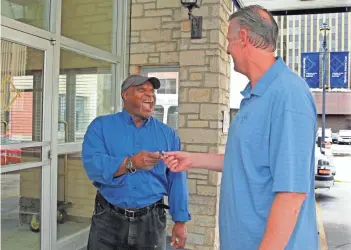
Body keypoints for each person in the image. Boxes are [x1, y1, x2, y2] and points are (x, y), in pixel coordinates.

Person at [162, 5, 319, 250]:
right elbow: (247, 162)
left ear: (243, 38)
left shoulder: (289, 95)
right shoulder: (253, 97)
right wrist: (191, 159)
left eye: (229, 40)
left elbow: (291, 194)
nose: (227, 48)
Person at [82, 74, 190, 250]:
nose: (150, 95)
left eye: (152, 92)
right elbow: (94, 165)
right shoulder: (101, 126)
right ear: (125, 94)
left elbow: (177, 179)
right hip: (108, 219)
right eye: (142, 90)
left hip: (152, 221)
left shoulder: (168, 135)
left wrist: (180, 221)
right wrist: (130, 163)